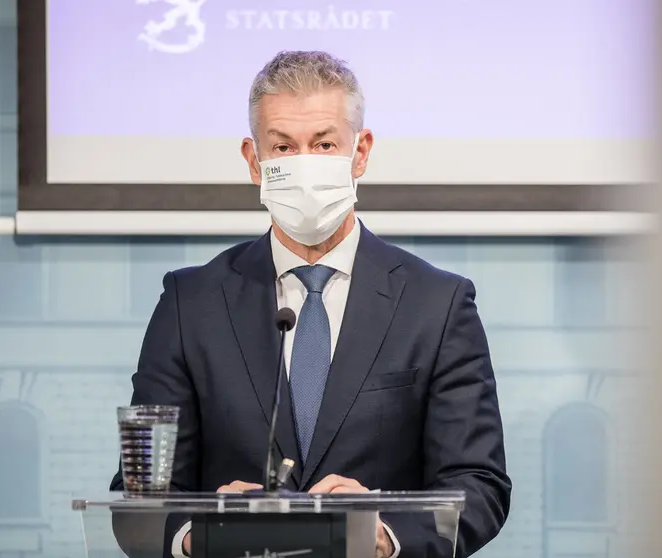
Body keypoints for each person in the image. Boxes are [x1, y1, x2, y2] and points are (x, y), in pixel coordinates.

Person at [111, 50, 511, 558]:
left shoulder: (438, 304)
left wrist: (383, 534)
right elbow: (142, 491)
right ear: (254, 162)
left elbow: (479, 485)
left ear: (360, 152)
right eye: (282, 147)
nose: (304, 164)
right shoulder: (190, 304)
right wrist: (202, 531)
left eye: (324, 144)